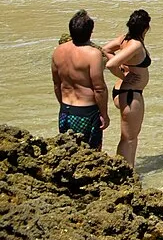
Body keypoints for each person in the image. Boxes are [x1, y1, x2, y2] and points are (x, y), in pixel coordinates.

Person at [51, 10, 110, 150]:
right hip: (87, 113)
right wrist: (104, 114)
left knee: (68, 152)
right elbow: (99, 88)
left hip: (65, 111)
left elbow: (56, 84)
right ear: (90, 32)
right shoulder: (93, 54)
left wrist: (63, 106)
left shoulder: (58, 51)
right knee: (92, 155)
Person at [103, 9, 152, 168]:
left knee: (129, 137)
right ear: (146, 28)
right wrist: (124, 74)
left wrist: (123, 70)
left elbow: (106, 50)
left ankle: (127, 169)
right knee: (129, 138)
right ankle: (126, 172)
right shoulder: (136, 45)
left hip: (124, 92)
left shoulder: (124, 39)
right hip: (130, 94)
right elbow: (110, 63)